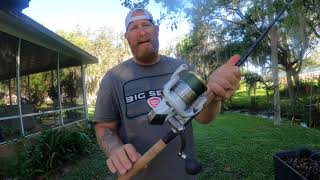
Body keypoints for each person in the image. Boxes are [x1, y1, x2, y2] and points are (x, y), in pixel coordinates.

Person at [94, 8, 241, 180]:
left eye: (146, 25)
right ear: (126, 36)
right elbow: (104, 128)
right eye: (134, 28)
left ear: (156, 30)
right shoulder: (113, 78)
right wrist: (115, 149)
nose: (141, 32)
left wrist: (214, 96)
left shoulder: (182, 69)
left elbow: (203, 118)